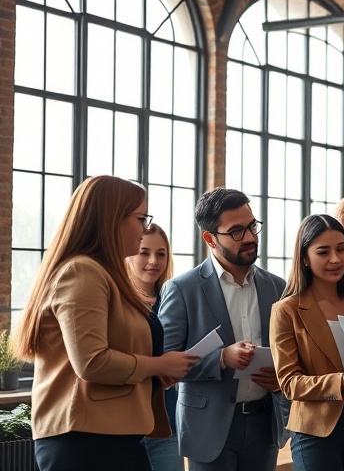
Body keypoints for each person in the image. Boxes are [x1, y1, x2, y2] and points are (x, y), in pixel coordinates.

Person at [13, 175, 199, 471]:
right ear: (113, 219)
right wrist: (158, 365)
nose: (146, 228)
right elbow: (92, 362)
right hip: (86, 439)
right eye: (141, 218)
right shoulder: (83, 272)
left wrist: (153, 375)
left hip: (113, 434)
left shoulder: (104, 275)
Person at [158, 188, 290, 471]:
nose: (251, 238)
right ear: (210, 238)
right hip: (208, 428)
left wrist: (281, 379)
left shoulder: (278, 287)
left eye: (253, 226)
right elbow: (164, 366)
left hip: (264, 424)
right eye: (237, 231)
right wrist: (220, 359)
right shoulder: (182, 289)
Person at [271, 214, 344, 471]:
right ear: (305, 258)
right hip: (315, 428)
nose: (336, 259)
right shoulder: (287, 310)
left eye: (341, 249)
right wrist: (341, 381)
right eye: (323, 252)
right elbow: (289, 383)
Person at [127, 223, 183, 471]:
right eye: (144, 252)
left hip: (166, 423)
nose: (153, 261)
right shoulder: (115, 301)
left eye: (161, 253)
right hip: (124, 422)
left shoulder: (176, 300)